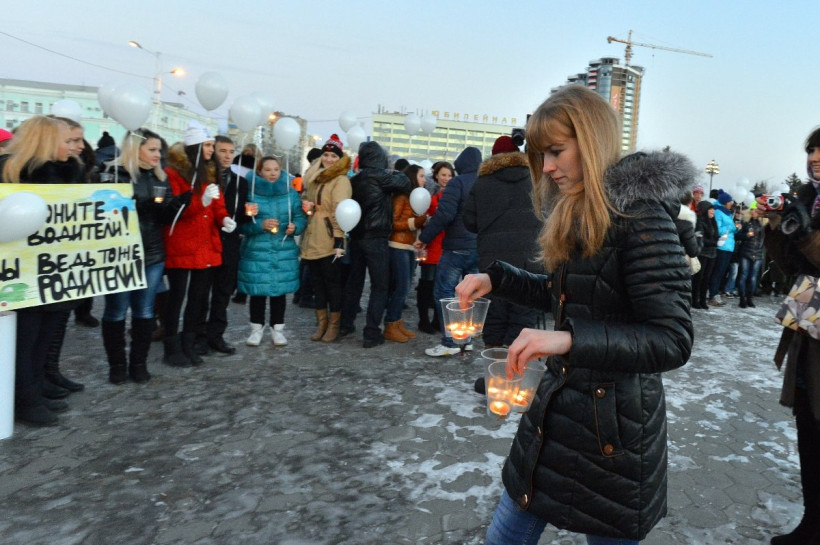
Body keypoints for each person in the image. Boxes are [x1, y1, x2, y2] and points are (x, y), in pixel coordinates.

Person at [455, 86, 694, 544]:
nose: (546, 167)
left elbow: (672, 338)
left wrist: (566, 339)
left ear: (591, 141)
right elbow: (569, 295)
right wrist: (497, 279)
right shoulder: (581, 210)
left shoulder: (642, 219)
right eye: (541, 155)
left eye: (556, 151)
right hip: (557, 414)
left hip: (614, 433)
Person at [0, 116, 84, 425]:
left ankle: (34, 390)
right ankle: (25, 399)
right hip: (20, 272)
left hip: (52, 270)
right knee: (24, 340)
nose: (74, 147)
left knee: (42, 338)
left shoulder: (66, 173)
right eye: (67, 141)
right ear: (46, 141)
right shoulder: (11, 171)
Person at [763, 127, 820, 545]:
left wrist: (805, 233)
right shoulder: (808, 199)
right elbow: (791, 270)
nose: (814, 158)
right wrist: (777, 227)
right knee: (808, 429)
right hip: (809, 326)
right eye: (811, 151)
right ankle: (812, 524)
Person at [100, 129, 187, 384]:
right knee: (116, 310)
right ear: (134, 149)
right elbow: (103, 210)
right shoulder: (113, 173)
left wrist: (177, 206)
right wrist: (140, 205)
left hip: (152, 252)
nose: (158, 155)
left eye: (159, 150)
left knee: (145, 310)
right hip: (119, 253)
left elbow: (165, 217)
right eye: (152, 149)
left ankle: (139, 364)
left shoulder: (160, 177)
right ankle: (117, 365)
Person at [162, 121, 236, 366]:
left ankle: (189, 342)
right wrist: (199, 202)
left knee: (198, 298)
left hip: (206, 245)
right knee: (177, 298)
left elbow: (217, 205)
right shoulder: (174, 173)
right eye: (207, 145)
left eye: (212, 145)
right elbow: (175, 211)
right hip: (183, 244)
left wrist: (224, 219)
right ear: (195, 146)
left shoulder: (209, 172)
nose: (211, 150)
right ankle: (171, 346)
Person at [463, 134, 542, 351]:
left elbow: (469, 221)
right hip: (530, 259)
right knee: (523, 311)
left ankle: (493, 363)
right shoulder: (536, 179)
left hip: (493, 261)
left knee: (494, 312)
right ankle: (515, 366)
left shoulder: (482, 182)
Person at [340, 140, 412, 348]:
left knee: (354, 283)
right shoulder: (381, 177)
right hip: (377, 238)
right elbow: (405, 182)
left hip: (357, 236)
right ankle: (371, 332)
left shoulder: (355, 179)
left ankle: (346, 324)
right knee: (380, 286)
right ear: (380, 158)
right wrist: (392, 170)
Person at [417, 146, 482, 357]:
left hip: (456, 248)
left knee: (444, 294)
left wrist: (424, 238)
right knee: (470, 295)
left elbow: (444, 214)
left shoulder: (458, 183)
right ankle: (466, 339)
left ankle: (450, 341)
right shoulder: (485, 182)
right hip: (478, 248)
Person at [238, 156, 306, 346]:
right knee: (257, 292)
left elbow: (300, 217)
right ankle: (256, 329)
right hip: (257, 250)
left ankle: (278, 330)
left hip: (283, 250)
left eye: (276, 169)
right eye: (267, 170)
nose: (272, 173)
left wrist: (295, 227)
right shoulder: (250, 192)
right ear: (260, 171)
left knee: (279, 293)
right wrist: (260, 225)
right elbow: (242, 225)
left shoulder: (290, 192)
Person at [197, 134, 248, 355]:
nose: (227, 156)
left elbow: (242, 215)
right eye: (222, 151)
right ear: (212, 152)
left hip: (229, 243)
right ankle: (198, 336)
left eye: (231, 152)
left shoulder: (240, 182)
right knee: (201, 293)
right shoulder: (202, 178)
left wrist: (249, 214)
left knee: (223, 293)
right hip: (206, 243)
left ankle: (216, 335)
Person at [384, 164, 427, 342]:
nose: (425, 179)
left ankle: (397, 322)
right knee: (402, 286)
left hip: (409, 246)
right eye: (422, 176)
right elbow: (392, 222)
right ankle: (390, 324)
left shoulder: (416, 197)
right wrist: (414, 223)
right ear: (413, 177)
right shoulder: (401, 197)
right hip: (398, 245)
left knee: (406, 286)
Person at [416, 161, 452, 334]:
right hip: (431, 246)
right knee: (427, 284)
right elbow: (422, 218)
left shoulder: (453, 194)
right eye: (443, 175)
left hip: (446, 247)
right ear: (436, 175)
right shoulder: (428, 195)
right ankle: (423, 320)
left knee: (442, 286)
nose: (446, 178)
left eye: (449, 175)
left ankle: (438, 320)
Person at [708, 189, 738, 306]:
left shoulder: (728, 213)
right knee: (717, 272)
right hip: (721, 246)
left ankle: (716, 294)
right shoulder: (718, 212)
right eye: (730, 201)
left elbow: (730, 229)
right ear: (725, 202)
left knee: (722, 273)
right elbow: (718, 230)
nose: (732, 203)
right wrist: (731, 228)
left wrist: (736, 228)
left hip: (728, 247)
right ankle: (712, 295)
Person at [692, 200, 719, 310]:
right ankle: (695, 300)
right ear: (705, 210)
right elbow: (701, 239)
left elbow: (715, 235)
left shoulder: (713, 222)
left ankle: (703, 300)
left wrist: (720, 239)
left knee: (707, 278)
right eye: (710, 209)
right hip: (703, 253)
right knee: (699, 278)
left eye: (713, 209)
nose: (713, 211)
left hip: (712, 253)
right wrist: (715, 243)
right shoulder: (700, 221)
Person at [737, 203, 765, 308]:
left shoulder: (763, 224)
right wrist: (746, 235)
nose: (754, 211)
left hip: (757, 254)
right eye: (752, 209)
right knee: (744, 275)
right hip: (746, 252)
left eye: (756, 210)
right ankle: (742, 298)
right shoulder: (746, 223)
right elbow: (737, 236)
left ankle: (749, 298)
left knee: (753, 277)